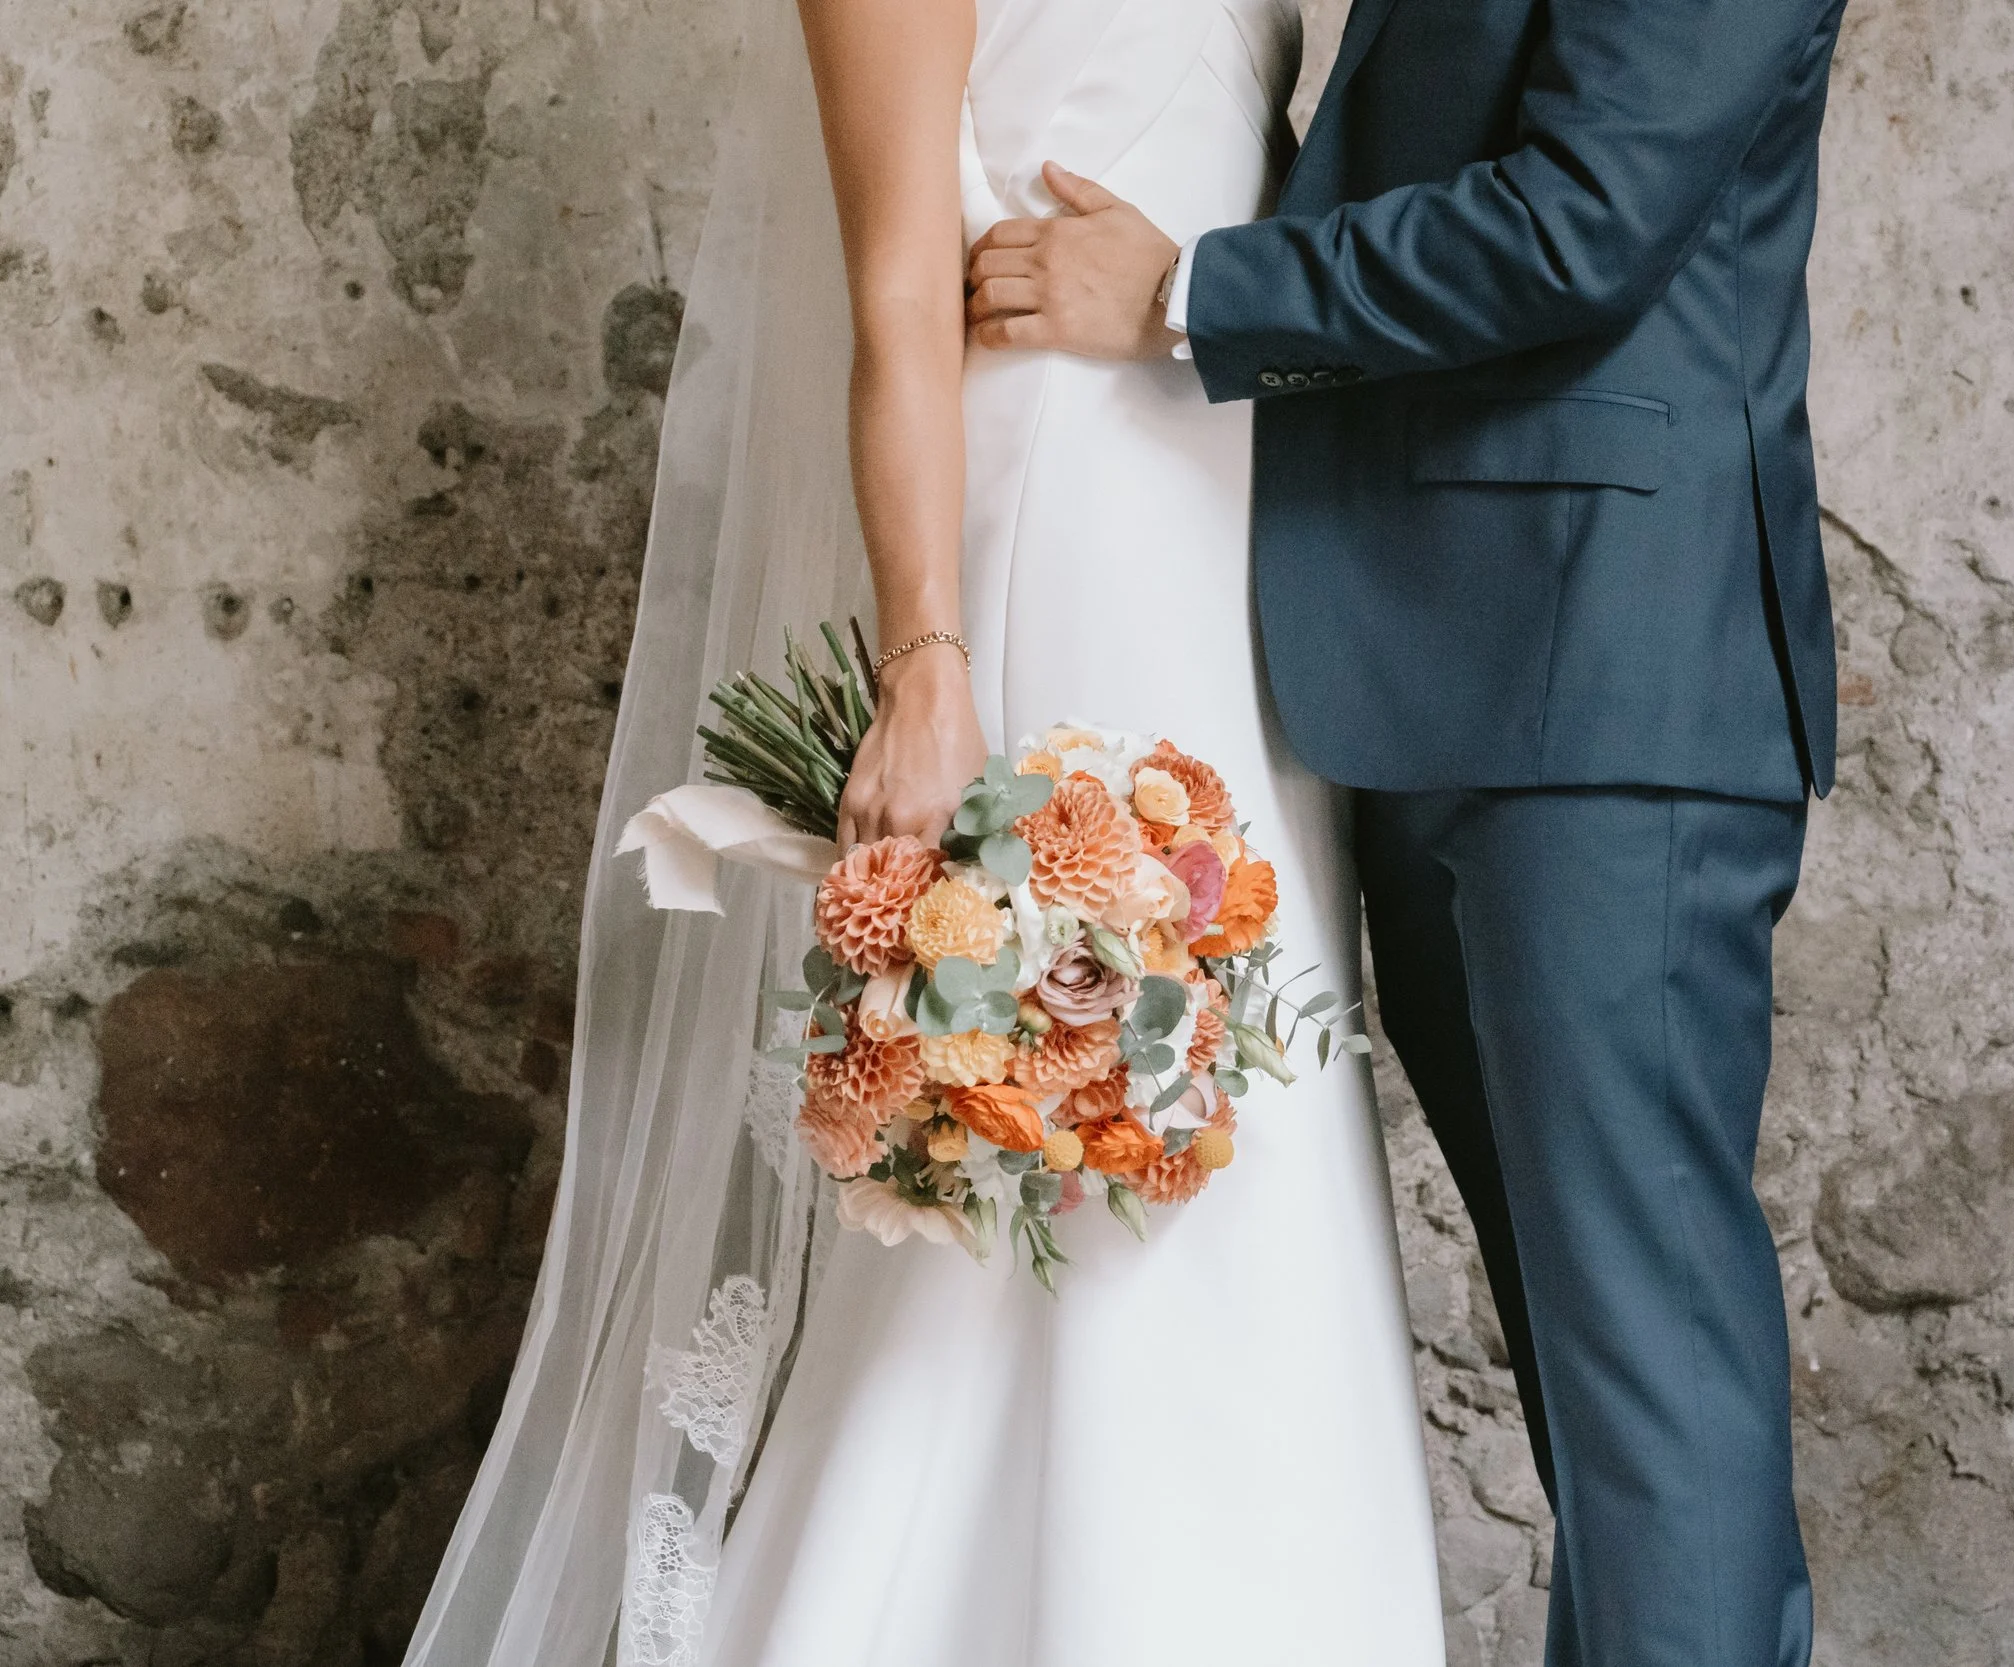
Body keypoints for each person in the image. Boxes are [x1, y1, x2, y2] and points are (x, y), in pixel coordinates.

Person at [400, 0, 1444, 1657]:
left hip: (1225, 530)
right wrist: (928, 665)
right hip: (1064, 538)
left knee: (1245, 1140)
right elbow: (896, 294)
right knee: (1069, 1165)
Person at [962, 0, 1851, 1657]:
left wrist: (1185, 293)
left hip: (1611, 694)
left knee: (1647, 1372)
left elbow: (1585, 217)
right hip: (1448, 663)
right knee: (1592, 1375)